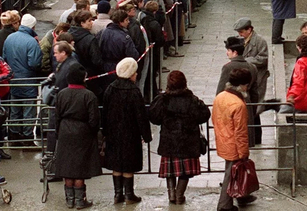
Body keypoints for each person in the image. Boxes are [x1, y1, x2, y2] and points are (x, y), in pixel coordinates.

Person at [148, 70, 211, 205]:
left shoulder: (163, 99)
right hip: (188, 142)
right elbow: (204, 114)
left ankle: (171, 194)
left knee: (170, 170)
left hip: (169, 141)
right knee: (185, 172)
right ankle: (179, 195)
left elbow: (153, 117)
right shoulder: (191, 99)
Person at [101, 57, 152, 204]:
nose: (136, 75)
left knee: (116, 164)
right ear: (130, 74)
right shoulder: (134, 91)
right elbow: (140, 115)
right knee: (128, 164)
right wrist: (146, 135)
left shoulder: (110, 89)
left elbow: (104, 112)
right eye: (135, 72)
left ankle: (118, 194)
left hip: (113, 133)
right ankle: (129, 194)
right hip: (131, 134)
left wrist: (104, 131)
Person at [52, 65, 99, 209]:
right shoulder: (89, 95)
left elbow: (57, 116)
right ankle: (80, 201)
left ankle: (69, 200)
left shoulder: (61, 94)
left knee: (67, 166)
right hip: (82, 132)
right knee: (79, 168)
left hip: (65, 131)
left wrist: (59, 131)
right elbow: (94, 120)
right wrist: (93, 133)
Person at [213, 68, 253, 211]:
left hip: (222, 140)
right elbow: (241, 132)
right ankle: (224, 206)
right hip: (234, 146)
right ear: (243, 85)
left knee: (230, 173)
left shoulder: (220, 97)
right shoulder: (238, 104)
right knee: (230, 176)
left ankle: (242, 196)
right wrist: (243, 153)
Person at [1, 10, 41, 138]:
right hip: (28, 80)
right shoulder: (31, 42)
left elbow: (4, 58)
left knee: (15, 109)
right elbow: (34, 63)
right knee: (29, 110)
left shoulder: (9, 38)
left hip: (13, 79)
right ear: (33, 27)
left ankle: (13, 135)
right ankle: (27, 136)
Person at [286, 35, 307, 113]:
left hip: (300, 101)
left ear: (301, 48)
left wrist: (291, 95)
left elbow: (298, 83)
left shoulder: (301, 62)